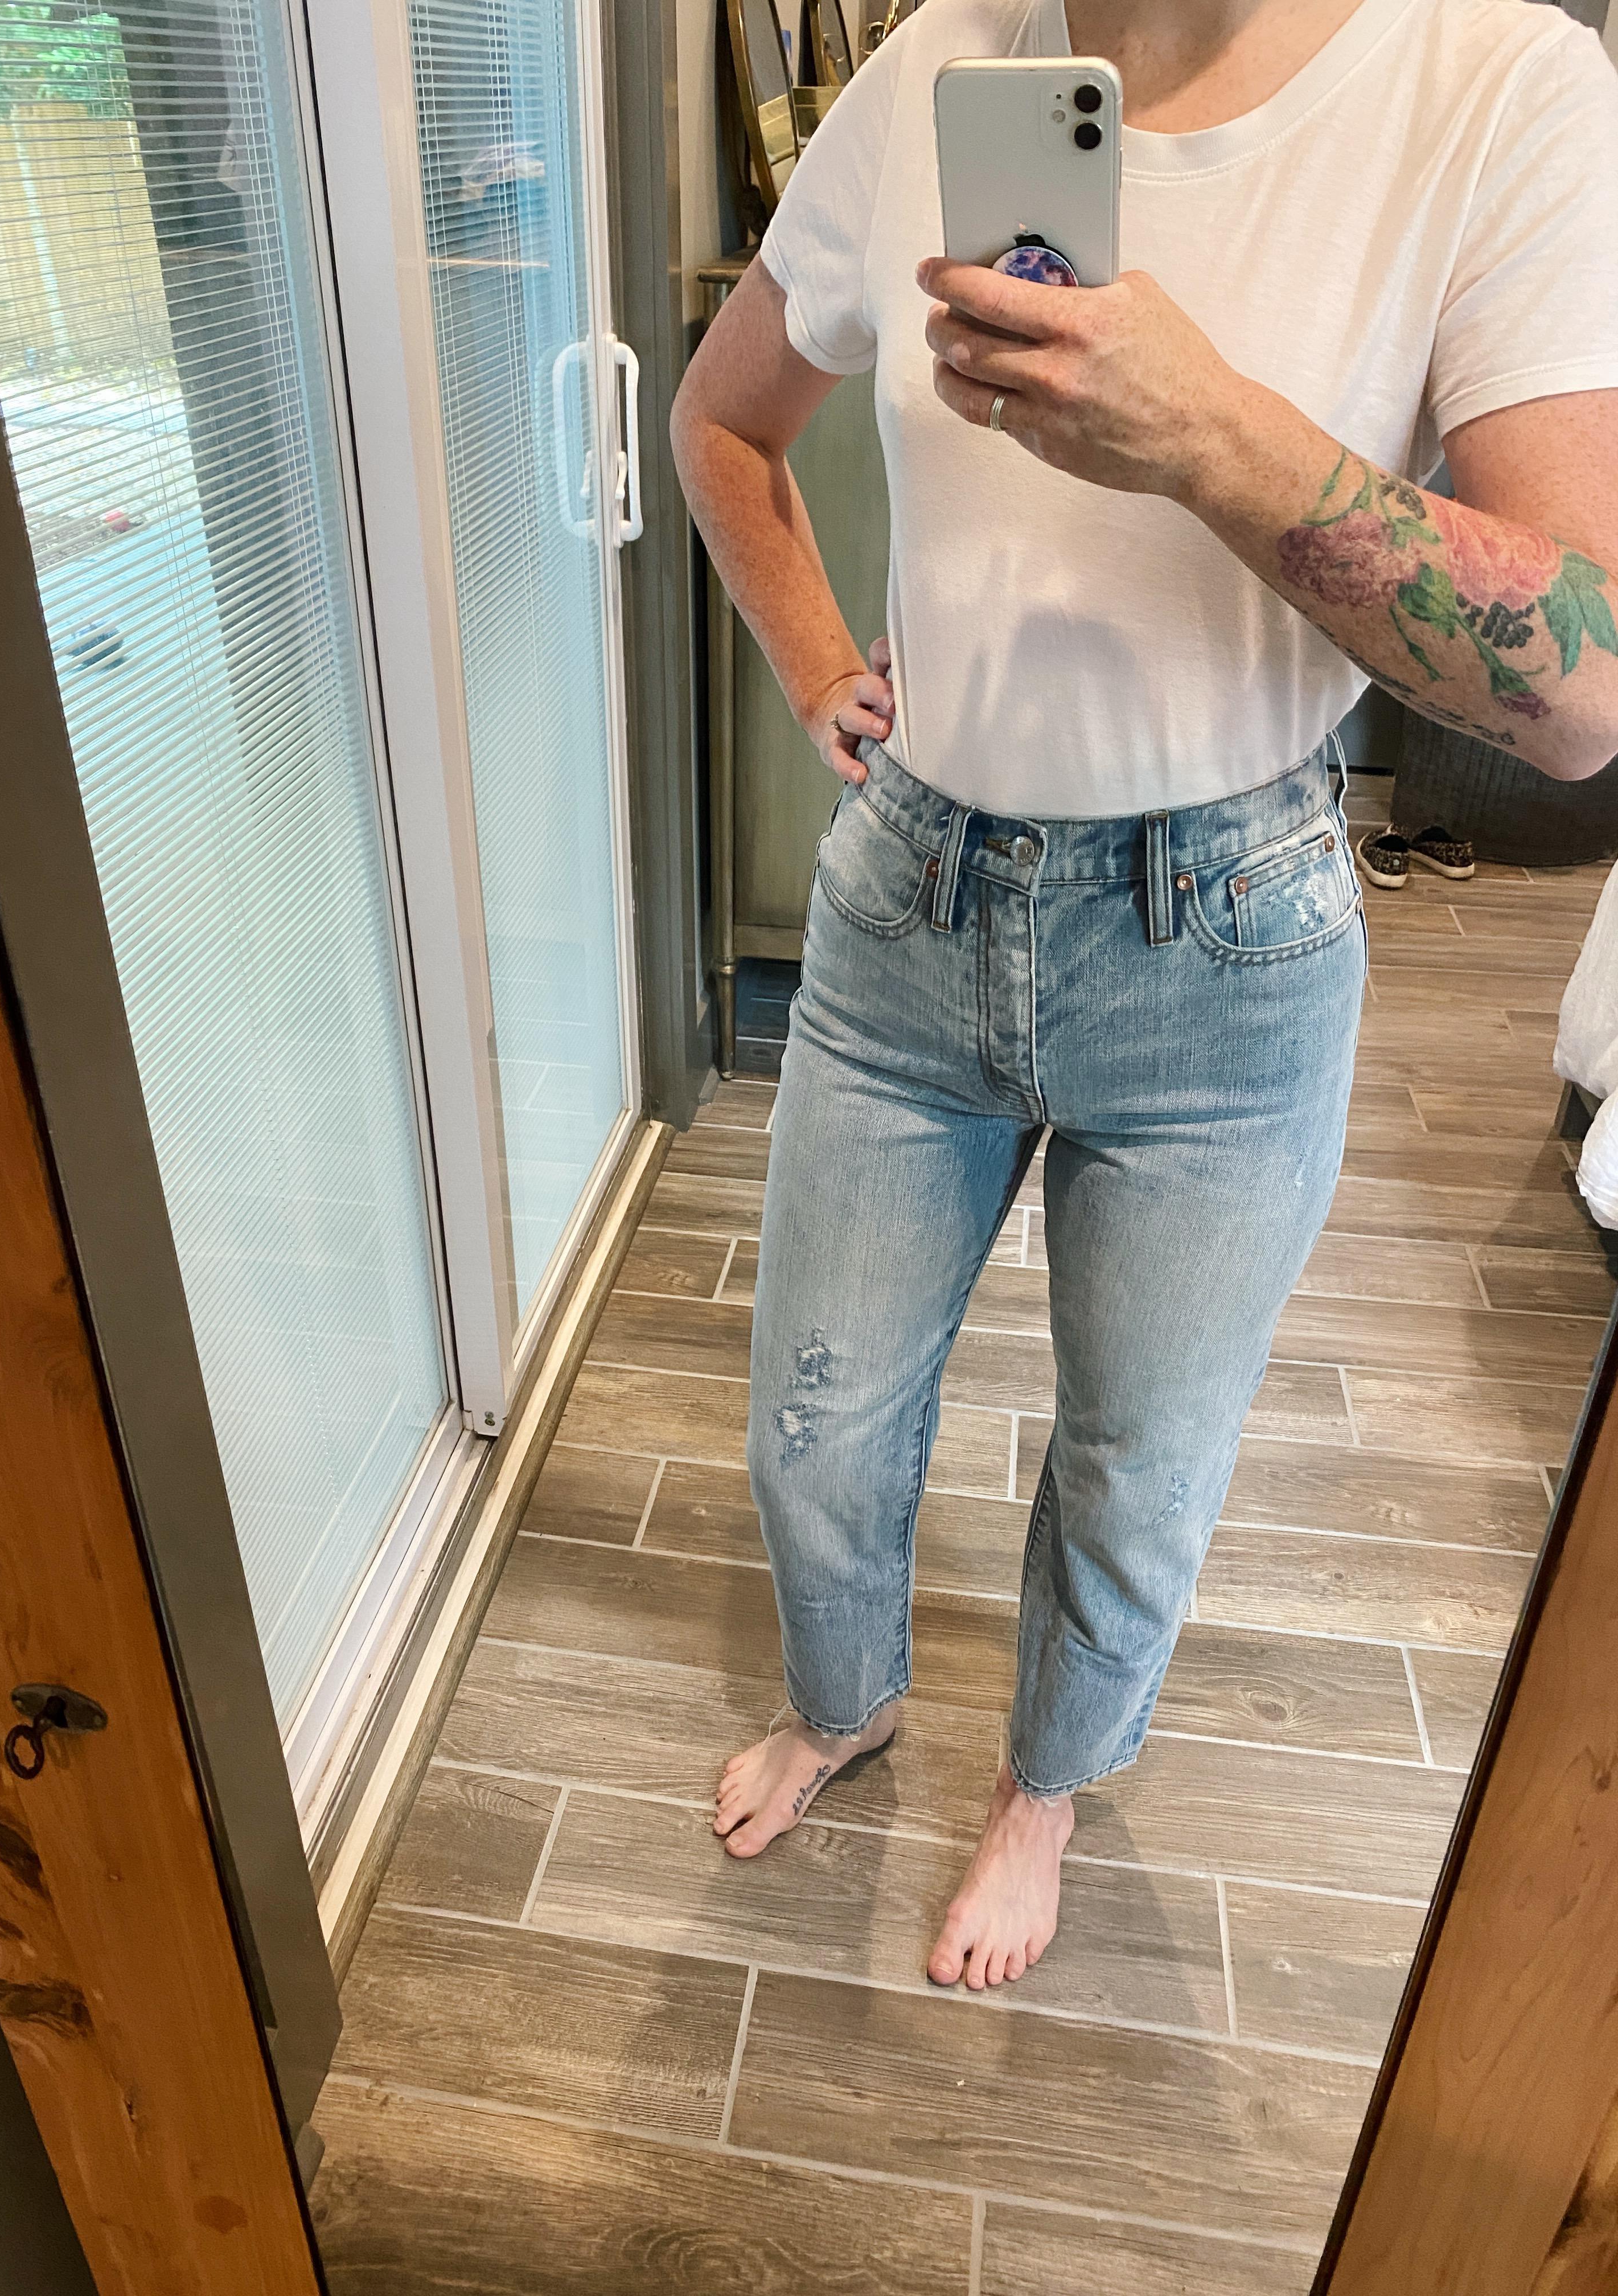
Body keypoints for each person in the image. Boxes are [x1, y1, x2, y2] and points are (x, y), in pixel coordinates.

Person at [670, 0, 1618, 1993]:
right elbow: (721, 423)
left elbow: (1583, 693)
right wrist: (818, 659)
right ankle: (845, 1704)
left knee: (1135, 1469)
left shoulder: (1496, 83)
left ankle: (1048, 1788)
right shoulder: (930, 68)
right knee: (812, 1428)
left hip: (1229, 938)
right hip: (911, 897)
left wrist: (1205, 433)